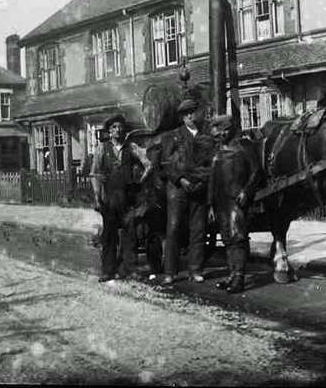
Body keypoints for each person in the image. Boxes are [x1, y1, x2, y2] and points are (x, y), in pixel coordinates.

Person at [159, 98, 214, 285]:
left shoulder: (206, 137)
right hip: (177, 190)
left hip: (199, 189)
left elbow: (210, 164)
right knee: (173, 229)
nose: (191, 116)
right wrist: (180, 179)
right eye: (187, 113)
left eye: (193, 112)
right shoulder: (172, 136)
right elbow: (166, 163)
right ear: (182, 117)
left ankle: (195, 270)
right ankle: (170, 272)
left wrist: (202, 182)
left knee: (198, 230)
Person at [90, 114, 150, 282]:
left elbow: (148, 165)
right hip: (109, 198)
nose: (117, 130)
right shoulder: (102, 149)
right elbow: (94, 173)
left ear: (124, 130)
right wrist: (97, 197)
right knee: (109, 235)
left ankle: (129, 269)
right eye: (113, 128)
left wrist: (139, 181)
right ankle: (108, 270)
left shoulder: (131, 148)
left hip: (127, 197)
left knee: (130, 234)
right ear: (109, 131)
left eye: (120, 127)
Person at [208, 114, 263, 294]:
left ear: (228, 130)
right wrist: (210, 205)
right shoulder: (217, 151)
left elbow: (256, 172)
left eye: (220, 133)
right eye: (216, 135)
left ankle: (239, 277)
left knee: (237, 238)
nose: (218, 137)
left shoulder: (244, 147)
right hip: (220, 202)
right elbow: (212, 180)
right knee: (227, 239)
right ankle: (232, 275)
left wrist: (246, 191)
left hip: (236, 200)